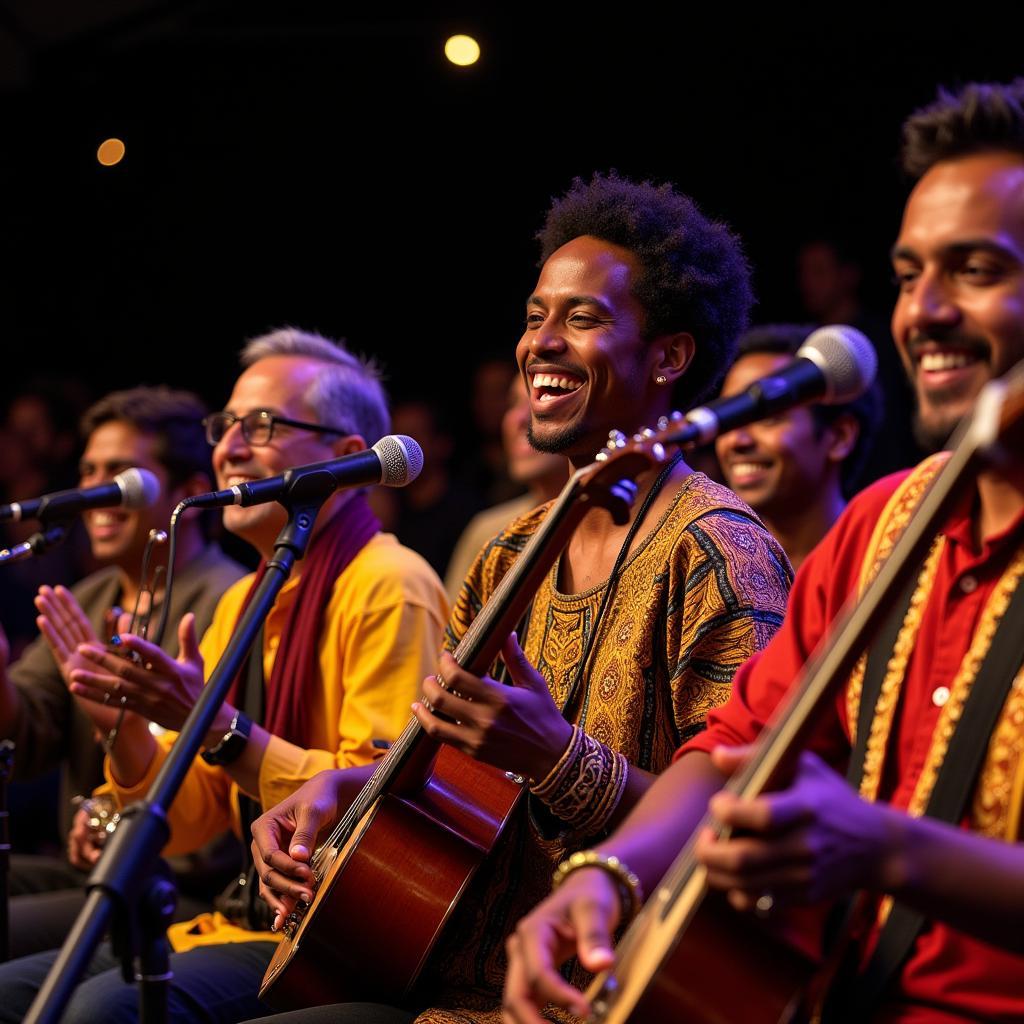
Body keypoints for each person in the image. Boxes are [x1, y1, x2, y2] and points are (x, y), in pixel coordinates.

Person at [503, 78, 1024, 1024]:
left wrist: (889, 851)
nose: (923, 313)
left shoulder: (722, 542)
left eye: (977, 270)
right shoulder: (885, 525)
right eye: (910, 277)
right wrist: (608, 878)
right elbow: (737, 745)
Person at [247, 172, 792, 1024]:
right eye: (536, 316)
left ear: (670, 356)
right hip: (444, 976)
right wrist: (341, 789)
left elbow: (740, 824)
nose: (540, 342)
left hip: (598, 996)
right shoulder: (506, 555)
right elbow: (456, 780)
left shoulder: (722, 554)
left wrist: (557, 757)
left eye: (582, 318)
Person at [0, 329, 449, 1023]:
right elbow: (187, 823)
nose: (229, 448)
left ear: (348, 459)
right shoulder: (244, 600)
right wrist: (121, 729)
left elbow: (381, 810)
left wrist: (217, 727)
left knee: (98, 1014)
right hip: (237, 919)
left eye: (261, 425)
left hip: (330, 937)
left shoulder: (391, 585)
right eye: (225, 425)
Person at [0, 386, 246, 957]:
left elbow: (199, 784)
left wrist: (103, 810)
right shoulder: (90, 597)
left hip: (180, 884)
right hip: (90, 866)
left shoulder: (228, 599)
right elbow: (26, 729)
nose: (96, 490)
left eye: (121, 472)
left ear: (190, 491)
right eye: (89, 471)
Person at [715, 324, 881, 570]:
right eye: (729, 418)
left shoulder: (881, 561)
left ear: (838, 437)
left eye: (766, 417)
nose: (737, 440)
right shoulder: (718, 566)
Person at [443, 377, 567, 602]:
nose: (518, 418)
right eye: (513, 403)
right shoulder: (488, 532)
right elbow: (455, 634)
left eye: (544, 397)